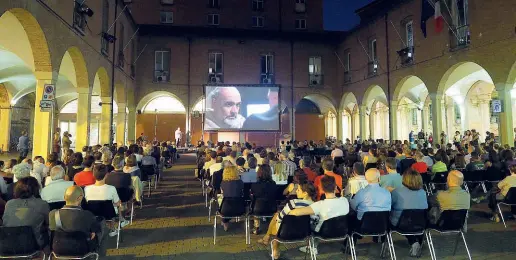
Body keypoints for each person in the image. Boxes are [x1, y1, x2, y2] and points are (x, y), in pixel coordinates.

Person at [289, 175, 350, 256]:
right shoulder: (345, 200)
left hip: (323, 233)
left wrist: (288, 212)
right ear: (335, 188)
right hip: (343, 231)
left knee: (311, 221)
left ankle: (313, 247)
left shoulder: (319, 205)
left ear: (321, 189)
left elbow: (297, 212)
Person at [257, 182, 316, 259]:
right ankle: (268, 239)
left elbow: (280, 217)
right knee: (278, 219)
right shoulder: (315, 205)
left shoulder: (293, 203)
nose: (296, 191)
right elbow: (314, 222)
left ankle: (274, 250)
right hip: (305, 233)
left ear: (305, 193)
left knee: (277, 219)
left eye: (298, 190)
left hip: (285, 232)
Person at [48, 185, 103, 253]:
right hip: (81, 249)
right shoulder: (87, 215)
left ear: (64, 197)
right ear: (80, 198)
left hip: (58, 249)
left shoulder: (53, 214)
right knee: (100, 226)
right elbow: (94, 230)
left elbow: (52, 230)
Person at [2, 177, 50, 249]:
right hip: (32, 245)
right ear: (36, 189)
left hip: (8, 244)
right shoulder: (42, 204)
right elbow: (49, 223)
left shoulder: (9, 204)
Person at [390, 169, 428, 256]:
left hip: (401, 224)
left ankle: (414, 242)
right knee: (412, 218)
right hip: (421, 224)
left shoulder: (397, 192)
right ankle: (417, 241)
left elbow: (390, 205)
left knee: (401, 219)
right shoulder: (423, 192)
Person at [84, 164, 130, 234]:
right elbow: (118, 203)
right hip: (109, 214)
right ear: (106, 175)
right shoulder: (111, 188)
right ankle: (113, 228)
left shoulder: (86, 188)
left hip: (93, 213)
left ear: (93, 175)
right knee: (116, 205)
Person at [250, 165, 277, 234]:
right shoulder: (273, 184)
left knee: (254, 203)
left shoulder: (255, 185)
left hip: (257, 209)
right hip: (272, 208)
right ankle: (271, 226)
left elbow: (253, 196)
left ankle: (256, 226)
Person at [219, 166, 244, 231]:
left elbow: (223, 194)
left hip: (226, 209)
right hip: (240, 208)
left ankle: (225, 222)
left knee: (221, 199)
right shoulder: (240, 182)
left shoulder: (223, 183)